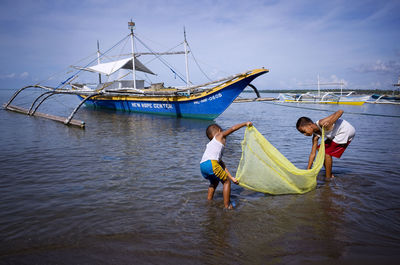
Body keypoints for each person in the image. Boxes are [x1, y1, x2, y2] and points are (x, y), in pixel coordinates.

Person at [200, 121, 252, 209]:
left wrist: (232, 177)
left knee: (214, 182)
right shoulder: (219, 135)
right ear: (219, 130)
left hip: (203, 165)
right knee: (226, 182)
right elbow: (232, 129)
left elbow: (221, 165)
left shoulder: (212, 145)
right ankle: (227, 205)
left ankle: (209, 201)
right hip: (212, 164)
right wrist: (244, 124)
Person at [296, 110, 355, 180]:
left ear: (309, 125)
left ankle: (328, 178)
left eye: (303, 131)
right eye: (302, 133)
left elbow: (340, 111)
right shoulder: (315, 137)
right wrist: (308, 170)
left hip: (345, 131)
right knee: (319, 149)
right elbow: (312, 154)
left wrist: (331, 122)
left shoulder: (321, 123)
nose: (304, 134)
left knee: (327, 153)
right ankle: (329, 173)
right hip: (336, 134)